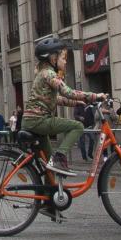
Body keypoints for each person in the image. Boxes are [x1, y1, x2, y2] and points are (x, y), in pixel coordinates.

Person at [19, 35, 99, 177]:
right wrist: (94, 96)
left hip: (31, 121)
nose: (65, 61)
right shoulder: (49, 74)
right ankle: (60, 156)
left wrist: (76, 102)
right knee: (78, 126)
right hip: (40, 120)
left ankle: (48, 197)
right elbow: (68, 92)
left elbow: (56, 99)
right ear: (53, 58)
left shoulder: (42, 74)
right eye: (63, 58)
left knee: (50, 167)